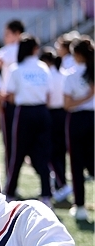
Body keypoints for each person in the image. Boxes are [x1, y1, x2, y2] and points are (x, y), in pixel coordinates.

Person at [4, 34, 52, 206]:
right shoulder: (43, 68)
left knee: (17, 153)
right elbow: (49, 94)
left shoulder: (16, 69)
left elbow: (9, 94)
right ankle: (46, 195)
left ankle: (10, 193)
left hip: (24, 113)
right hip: (42, 112)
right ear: (35, 49)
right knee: (43, 154)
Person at [63, 37, 94, 222]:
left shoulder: (70, 74)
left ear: (76, 54)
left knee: (76, 163)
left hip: (77, 120)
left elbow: (67, 104)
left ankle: (80, 206)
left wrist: (85, 97)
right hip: (92, 118)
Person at [0, 19, 25, 174]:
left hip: (9, 100)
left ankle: (11, 174)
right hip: (29, 101)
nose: (5, 37)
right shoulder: (29, 50)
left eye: (7, 34)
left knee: (9, 141)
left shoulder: (8, 50)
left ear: (17, 34)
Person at [39, 48, 73, 205]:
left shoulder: (47, 75)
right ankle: (60, 184)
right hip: (64, 115)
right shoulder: (63, 73)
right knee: (60, 152)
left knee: (49, 152)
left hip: (50, 114)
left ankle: (62, 184)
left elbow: (46, 97)